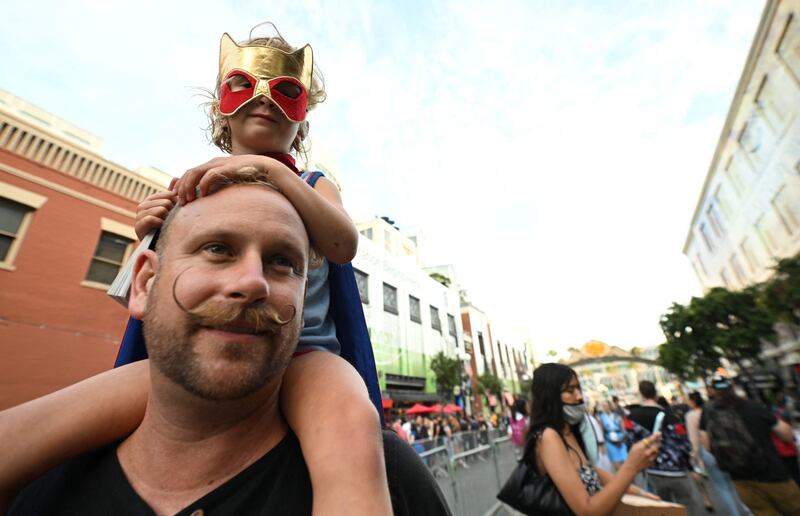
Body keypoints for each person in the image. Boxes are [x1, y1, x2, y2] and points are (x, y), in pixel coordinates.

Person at [0, 26, 392, 516]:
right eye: (245, 87)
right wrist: (152, 230)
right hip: (194, 356)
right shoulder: (195, 186)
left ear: (302, 121)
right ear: (221, 109)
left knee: (350, 425)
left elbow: (342, 244)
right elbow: (138, 296)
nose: (266, 100)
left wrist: (274, 174)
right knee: (20, 434)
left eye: (286, 92)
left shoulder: (313, 184)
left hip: (306, 356)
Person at [7, 173, 450, 515]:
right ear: (143, 282)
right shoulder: (41, 479)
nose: (252, 282)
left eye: (282, 262)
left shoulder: (396, 483)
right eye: (217, 249)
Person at [520, 363, 661, 515]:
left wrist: (639, 492)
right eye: (570, 390)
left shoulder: (568, 431)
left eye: (578, 388)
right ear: (549, 396)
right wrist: (631, 467)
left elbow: (590, 472)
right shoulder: (548, 436)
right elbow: (587, 511)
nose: (579, 396)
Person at [700, 375, 800, 515]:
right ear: (733, 387)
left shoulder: (708, 413)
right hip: (773, 475)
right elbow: (786, 434)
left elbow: (705, 444)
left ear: (712, 391)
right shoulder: (752, 406)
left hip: (740, 479)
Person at [628, 381, 706, 516]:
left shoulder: (632, 417)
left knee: (663, 507)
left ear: (641, 394)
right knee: (686, 504)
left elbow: (631, 443)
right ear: (656, 394)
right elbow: (682, 442)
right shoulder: (670, 414)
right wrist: (690, 466)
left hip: (652, 469)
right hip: (676, 469)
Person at [598, 400, 628, 471]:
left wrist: (623, 438)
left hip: (621, 440)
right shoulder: (601, 417)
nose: (605, 407)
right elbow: (601, 431)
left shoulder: (617, 416)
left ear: (610, 406)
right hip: (610, 442)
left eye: (607, 405)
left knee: (626, 463)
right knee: (617, 464)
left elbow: (623, 428)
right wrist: (602, 444)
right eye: (604, 406)